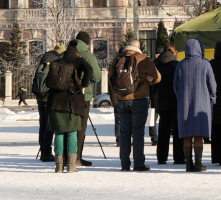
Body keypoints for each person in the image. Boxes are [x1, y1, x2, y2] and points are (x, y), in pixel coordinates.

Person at [112, 39, 161, 171]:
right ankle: (138, 163)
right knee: (138, 132)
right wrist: (147, 80)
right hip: (139, 99)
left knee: (124, 132)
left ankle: (124, 163)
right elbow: (157, 77)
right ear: (138, 46)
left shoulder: (117, 59)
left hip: (121, 100)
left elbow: (111, 78)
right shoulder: (143, 59)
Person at [47, 41, 94, 173]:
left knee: (59, 133)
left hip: (55, 101)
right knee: (72, 133)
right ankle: (71, 166)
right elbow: (89, 70)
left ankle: (59, 166)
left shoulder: (57, 60)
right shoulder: (78, 60)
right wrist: (83, 85)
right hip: (72, 101)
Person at [174, 38, 217, 172]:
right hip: (202, 104)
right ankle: (198, 163)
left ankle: (188, 164)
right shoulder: (205, 64)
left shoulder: (180, 65)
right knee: (198, 134)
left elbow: (175, 86)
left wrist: (180, 97)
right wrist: (212, 98)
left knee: (187, 134)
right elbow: (212, 85)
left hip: (184, 104)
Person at [33, 43, 66, 162]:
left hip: (39, 98)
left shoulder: (45, 60)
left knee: (42, 126)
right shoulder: (56, 62)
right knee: (49, 126)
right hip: (48, 97)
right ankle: (47, 153)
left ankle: (43, 151)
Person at [73, 32, 103, 167]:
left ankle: (64, 156)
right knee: (80, 127)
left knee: (67, 126)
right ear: (86, 43)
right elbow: (96, 77)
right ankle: (77, 157)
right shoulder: (88, 56)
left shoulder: (66, 54)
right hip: (83, 96)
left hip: (65, 96)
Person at [154, 42, 184, 165]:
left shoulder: (156, 65)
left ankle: (161, 157)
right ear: (174, 52)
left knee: (163, 130)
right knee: (177, 130)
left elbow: (154, 83)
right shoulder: (177, 65)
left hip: (162, 100)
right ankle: (179, 157)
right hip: (176, 100)